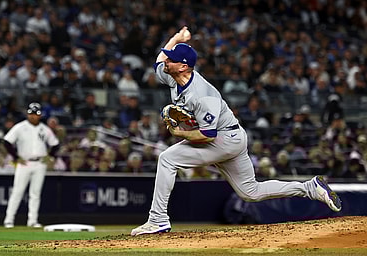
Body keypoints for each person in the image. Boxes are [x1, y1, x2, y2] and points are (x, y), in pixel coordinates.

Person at [131, 26, 342, 236]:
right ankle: (310, 188)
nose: (166, 62)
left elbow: (207, 135)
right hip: (233, 136)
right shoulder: (173, 76)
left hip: (222, 139)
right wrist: (176, 38)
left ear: (184, 66)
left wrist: (180, 134)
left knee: (167, 159)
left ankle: (157, 219)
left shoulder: (203, 95)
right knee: (251, 192)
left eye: (172, 59)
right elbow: (158, 61)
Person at [2, 102, 60, 228]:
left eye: (36, 114)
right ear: (28, 114)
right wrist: (16, 157)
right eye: (31, 114)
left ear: (40, 115)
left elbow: (55, 144)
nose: (33, 116)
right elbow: (6, 141)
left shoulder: (44, 129)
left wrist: (50, 156)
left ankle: (32, 220)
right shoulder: (20, 127)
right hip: (25, 163)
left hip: (40, 163)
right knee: (17, 192)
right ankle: (9, 220)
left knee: (35, 193)